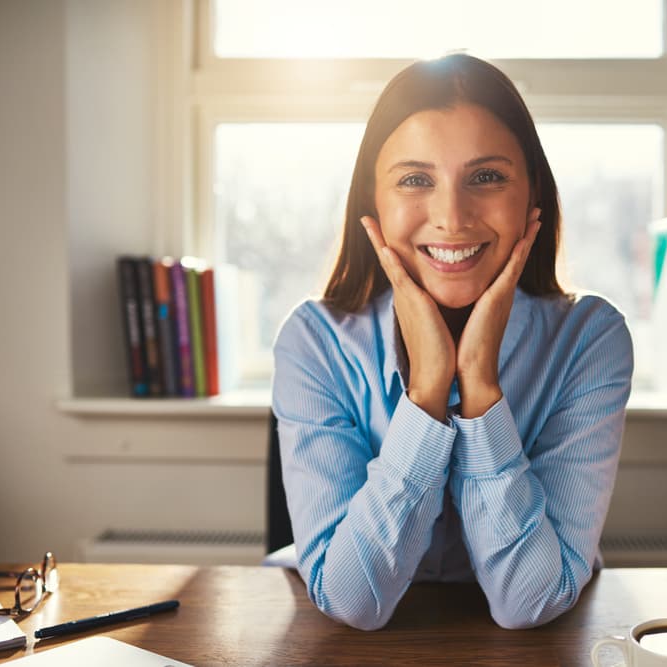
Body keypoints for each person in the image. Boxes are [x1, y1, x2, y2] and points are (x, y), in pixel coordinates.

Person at [271, 53, 633, 631]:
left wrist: (481, 387)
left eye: (486, 177)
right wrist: (427, 393)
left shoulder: (589, 338)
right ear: (372, 201)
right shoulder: (314, 341)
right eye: (415, 180)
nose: (452, 217)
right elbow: (352, 602)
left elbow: (530, 603)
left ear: (532, 193)